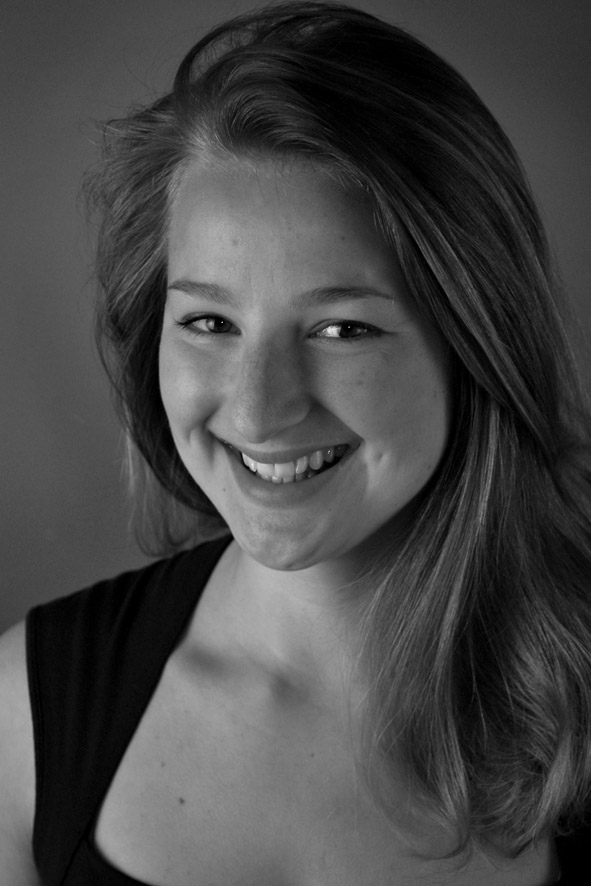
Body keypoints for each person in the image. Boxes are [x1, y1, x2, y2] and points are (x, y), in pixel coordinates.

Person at [1, 1, 590, 883]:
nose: (258, 411)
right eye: (208, 321)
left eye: (341, 330)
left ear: (477, 345)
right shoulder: (20, 718)